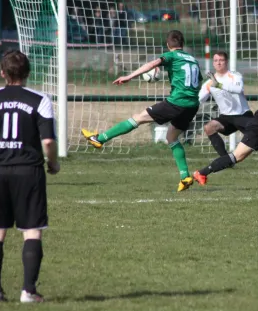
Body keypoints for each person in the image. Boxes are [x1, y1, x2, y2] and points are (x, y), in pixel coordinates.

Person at [0, 50, 60, 304]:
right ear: (28, 72)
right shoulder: (39, 99)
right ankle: (28, 291)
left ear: (2, 73)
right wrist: (52, 162)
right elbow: (48, 141)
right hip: (28, 170)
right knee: (31, 231)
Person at [82, 30, 202, 192]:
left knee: (138, 118)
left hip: (176, 102)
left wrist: (129, 76)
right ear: (182, 44)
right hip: (192, 104)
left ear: (168, 45)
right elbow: (196, 80)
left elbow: (151, 64)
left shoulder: (171, 56)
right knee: (172, 137)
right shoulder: (193, 60)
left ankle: (100, 139)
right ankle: (185, 176)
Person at [199, 50, 258, 169]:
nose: (218, 63)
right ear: (213, 63)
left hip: (243, 115)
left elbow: (238, 89)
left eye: (221, 60)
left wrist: (219, 85)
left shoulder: (235, 76)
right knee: (209, 127)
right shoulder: (209, 83)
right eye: (216, 60)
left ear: (226, 62)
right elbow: (199, 99)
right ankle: (227, 162)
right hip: (226, 117)